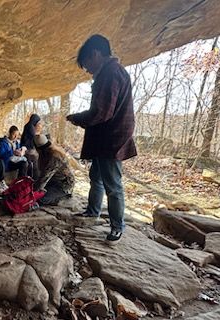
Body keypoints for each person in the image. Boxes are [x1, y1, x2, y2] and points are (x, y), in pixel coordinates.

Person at [66, 34, 137, 245]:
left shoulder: (110, 73)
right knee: (96, 176)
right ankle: (93, 211)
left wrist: (77, 118)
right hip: (104, 138)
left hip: (111, 139)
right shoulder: (111, 72)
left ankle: (117, 226)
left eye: (86, 63)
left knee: (112, 184)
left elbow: (101, 113)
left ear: (96, 54)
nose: (87, 70)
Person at [33, 134, 74, 206]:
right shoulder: (46, 154)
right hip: (53, 182)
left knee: (41, 198)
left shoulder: (54, 157)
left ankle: (63, 196)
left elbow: (45, 176)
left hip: (63, 185)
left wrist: (34, 190)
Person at [21, 114, 43, 179]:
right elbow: (34, 138)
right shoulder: (31, 127)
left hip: (26, 146)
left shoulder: (28, 125)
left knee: (31, 163)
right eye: (37, 121)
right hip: (28, 148)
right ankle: (35, 178)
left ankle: (31, 177)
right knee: (36, 161)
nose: (37, 123)